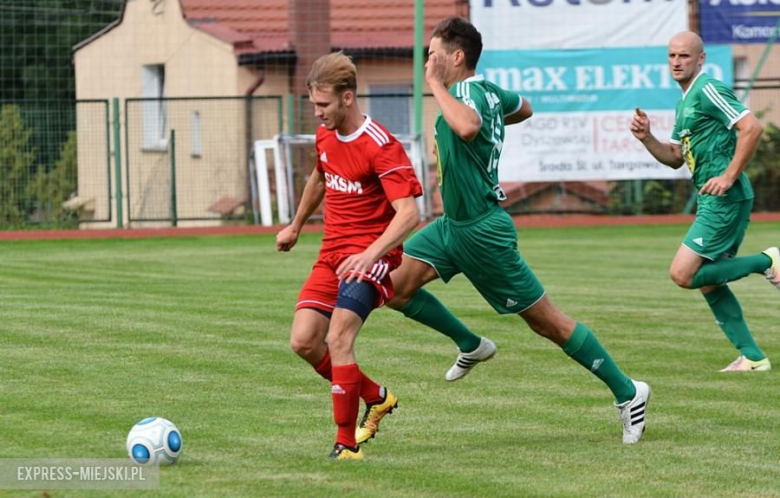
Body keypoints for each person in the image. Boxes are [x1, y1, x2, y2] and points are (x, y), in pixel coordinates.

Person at [383, 16, 651, 444]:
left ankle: (628, 391)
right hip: (452, 226)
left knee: (548, 324)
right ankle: (471, 344)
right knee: (392, 287)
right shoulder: (487, 92)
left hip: (481, 232)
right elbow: (524, 108)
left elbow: (468, 126)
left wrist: (436, 87)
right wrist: (487, 126)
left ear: (456, 57)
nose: (427, 64)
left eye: (433, 56)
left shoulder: (463, 93)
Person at [276, 51, 423, 460]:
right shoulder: (325, 136)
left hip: (372, 259)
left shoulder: (381, 145)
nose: (317, 113)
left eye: (323, 105)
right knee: (304, 341)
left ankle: (346, 444)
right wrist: (296, 225)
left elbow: (409, 214)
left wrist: (370, 254)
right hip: (333, 254)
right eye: (313, 104)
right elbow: (320, 178)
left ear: (347, 98)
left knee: (338, 337)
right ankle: (376, 396)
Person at [631, 31, 779, 372]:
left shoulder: (708, 89)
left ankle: (766, 261)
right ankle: (753, 358)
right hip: (714, 199)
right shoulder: (684, 101)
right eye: (672, 56)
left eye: (684, 56)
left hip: (725, 198)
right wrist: (646, 137)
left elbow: (752, 128)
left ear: (701, 59)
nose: (676, 62)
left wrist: (728, 176)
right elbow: (674, 157)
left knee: (683, 274)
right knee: (708, 280)